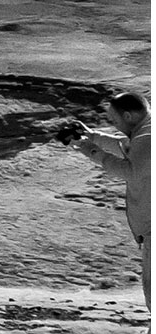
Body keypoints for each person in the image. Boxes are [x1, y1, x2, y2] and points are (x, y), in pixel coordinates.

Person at [66, 91, 151, 320]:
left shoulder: (147, 138)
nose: (114, 124)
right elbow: (124, 146)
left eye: (115, 121)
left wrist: (91, 151)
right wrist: (91, 136)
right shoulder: (145, 132)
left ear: (128, 116)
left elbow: (129, 171)